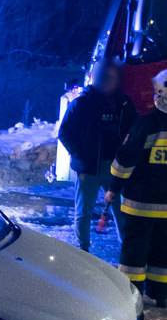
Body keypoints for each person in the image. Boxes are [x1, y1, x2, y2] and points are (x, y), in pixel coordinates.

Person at [58, 61, 137, 251]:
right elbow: (65, 133)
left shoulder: (123, 103)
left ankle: (127, 249)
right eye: (104, 77)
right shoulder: (82, 103)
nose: (107, 81)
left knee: (121, 210)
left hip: (116, 167)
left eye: (111, 77)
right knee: (84, 211)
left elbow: (135, 130)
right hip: (89, 168)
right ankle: (83, 250)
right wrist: (80, 155)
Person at [105, 69, 167, 307]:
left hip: (141, 203)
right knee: (162, 251)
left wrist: (114, 187)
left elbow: (125, 159)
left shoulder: (146, 124)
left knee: (134, 251)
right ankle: (160, 294)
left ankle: (131, 296)